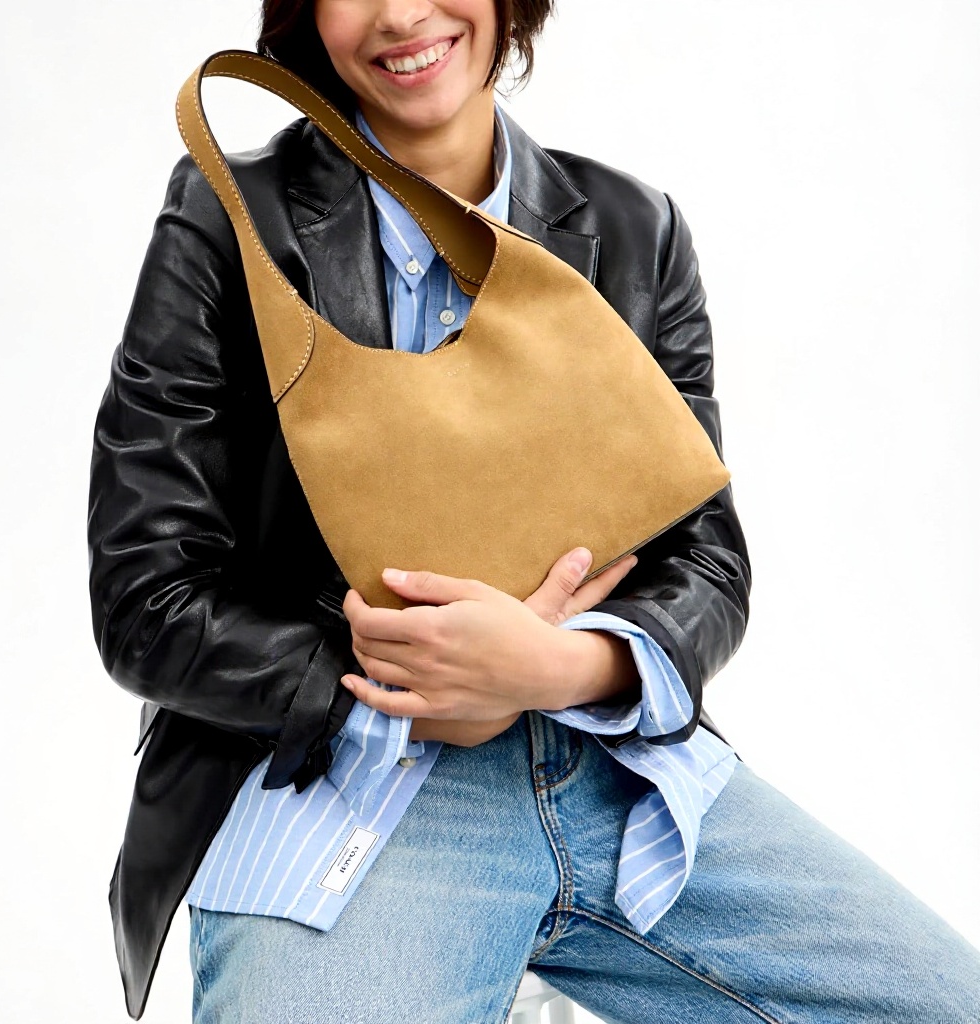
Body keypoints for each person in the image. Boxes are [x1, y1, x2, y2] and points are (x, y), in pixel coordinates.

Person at [87, 0, 980, 1021]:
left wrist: (557, 668)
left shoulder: (634, 230)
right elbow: (144, 595)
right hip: (351, 777)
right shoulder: (230, 216)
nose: (402, 13)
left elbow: (706, 561)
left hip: (612, 768)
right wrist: (404, 684)